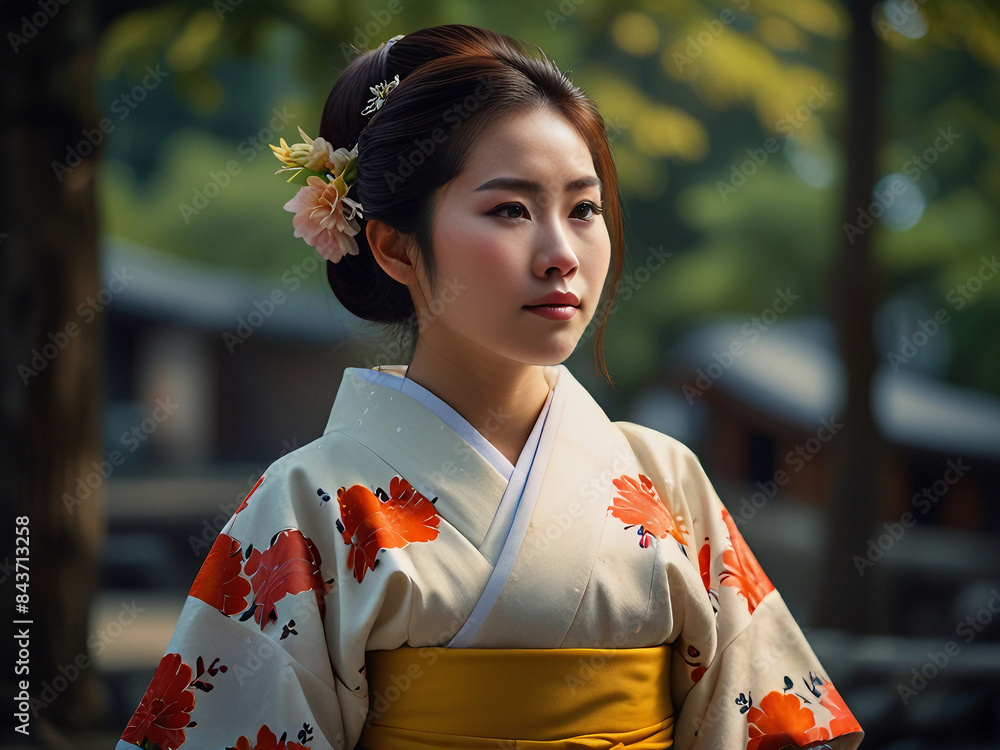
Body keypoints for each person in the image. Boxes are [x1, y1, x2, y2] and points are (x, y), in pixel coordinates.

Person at [116, 24, 863, 750]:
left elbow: (770, 724)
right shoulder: (308, 504)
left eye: (584, 209)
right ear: (395, 247)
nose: (561, 254)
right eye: (511, 210)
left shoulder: (665, 479)